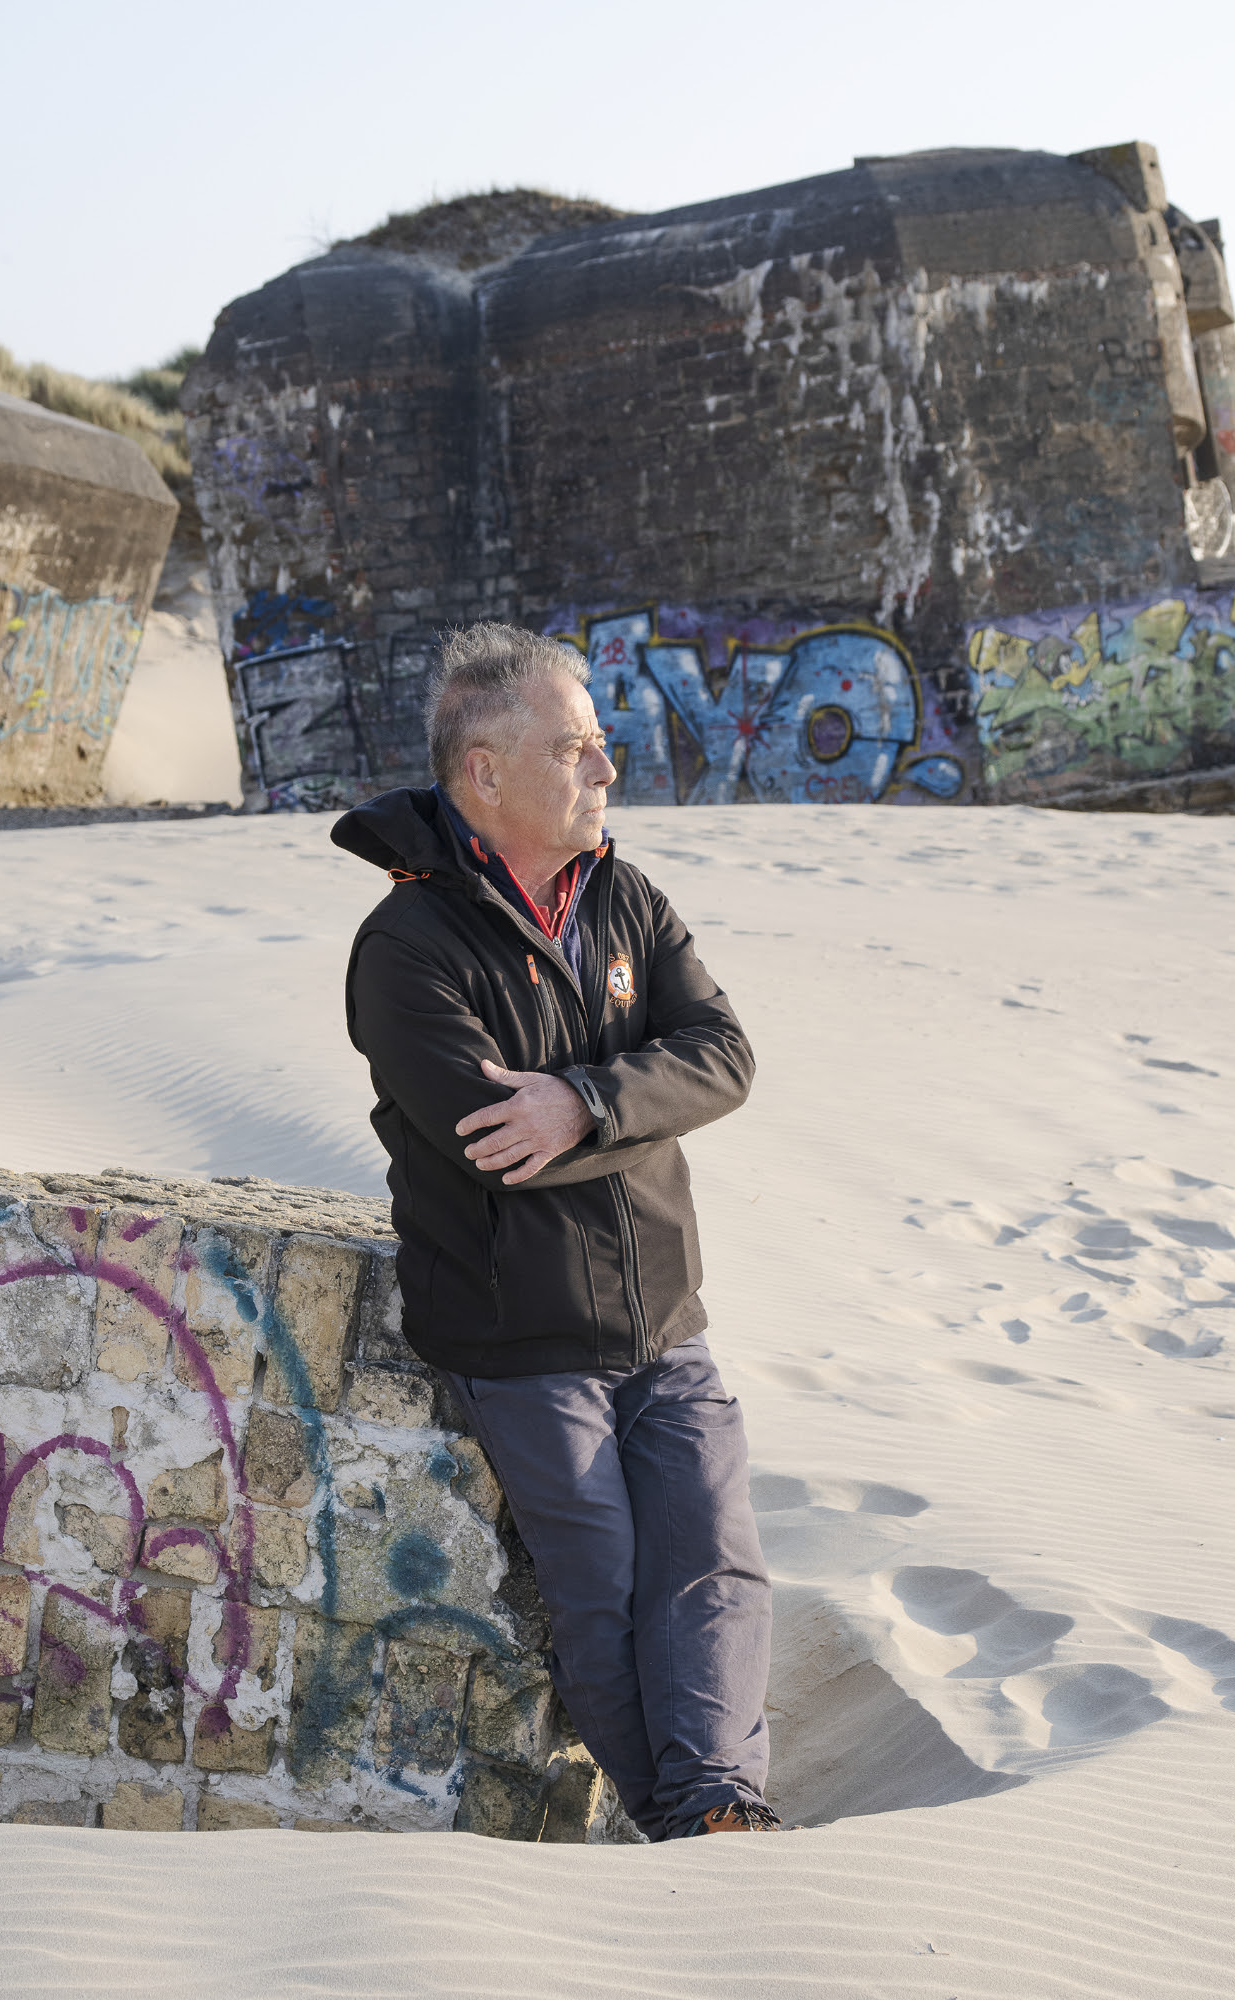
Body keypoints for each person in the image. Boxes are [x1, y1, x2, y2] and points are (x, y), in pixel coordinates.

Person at [332, 622, 779, 1840]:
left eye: (600, 742)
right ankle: (684, 1822)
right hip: (522, 1338)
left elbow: (724, 1056)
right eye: (575, 746)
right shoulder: (406, 948)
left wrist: (583, 1100)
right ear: (484, 772)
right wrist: (634, 1097)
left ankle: (720, 1804)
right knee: (606, 1594)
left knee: (715, 1563)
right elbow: (493, 1142)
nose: (606, 767)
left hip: (664, 1317)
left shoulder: (625, 897)